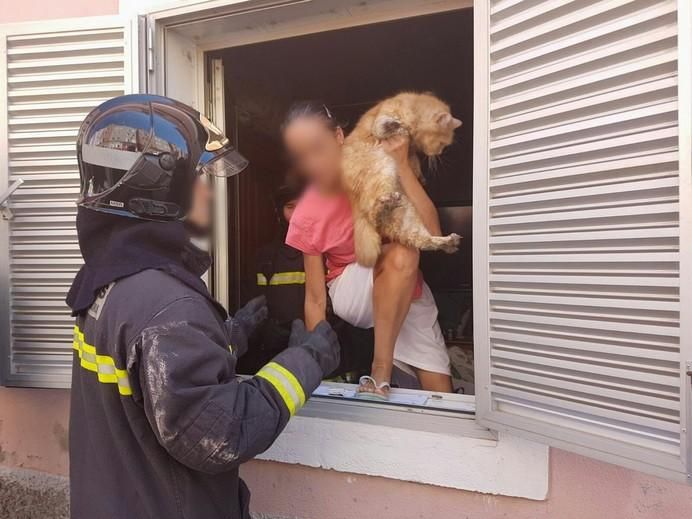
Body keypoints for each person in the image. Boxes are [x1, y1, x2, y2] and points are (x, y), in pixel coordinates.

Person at [66, 94, 340, 519]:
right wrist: (307, 360)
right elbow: (221, 433)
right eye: (197, 178)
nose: (208, 193)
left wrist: (232, 333)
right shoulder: (167, 305)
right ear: (160, 187)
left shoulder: (109, 282)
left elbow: (151, 377)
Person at [282, 100, 452, 400]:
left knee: (443, 394)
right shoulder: (308, 212)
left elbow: (434, 234)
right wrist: (316, 363)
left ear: (338, 137)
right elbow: (315, 298)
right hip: (353, 286)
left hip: (405, 285)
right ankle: (381, 370)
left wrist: (400, 163)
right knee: (404, 252)